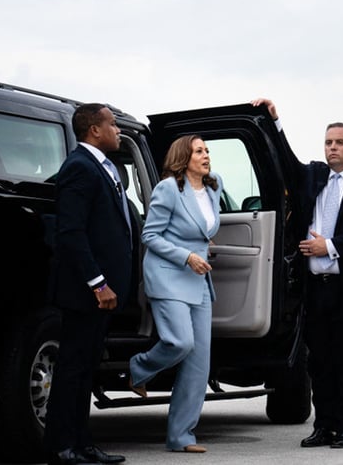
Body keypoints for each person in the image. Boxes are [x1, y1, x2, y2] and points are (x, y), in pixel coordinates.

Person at [250, 98, 343, 449]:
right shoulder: (312, 177)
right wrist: (273, 121)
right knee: (320, 362)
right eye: (328, 142)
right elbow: (284, 159)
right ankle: (324, 425)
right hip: (317, 289)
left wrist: (330, 246)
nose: (332, 148)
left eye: (340, 142)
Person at [45, 103, 133, 465]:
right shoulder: (80, 167)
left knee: (86, 369)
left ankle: (82, 444)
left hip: (100, 295)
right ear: (94, 130)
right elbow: (71, 232)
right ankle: (62, 447)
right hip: (85, 292)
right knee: (72, 369)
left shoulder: (103, 167)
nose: (118, 131)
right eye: (113, 124)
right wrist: (98, 283)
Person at [128, 135, 224, 454]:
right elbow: (150, 235)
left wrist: (200, 250)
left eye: (207, 150)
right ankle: (139, 368)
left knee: (199, 363)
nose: (206, 155)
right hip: (170, 275)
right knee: (179, 342)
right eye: (199, 151)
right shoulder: (168, 188)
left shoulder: (214, 186)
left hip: (199, 280)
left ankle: (181, 436)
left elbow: (203, 230)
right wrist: (186, 256)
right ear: (184, 156)